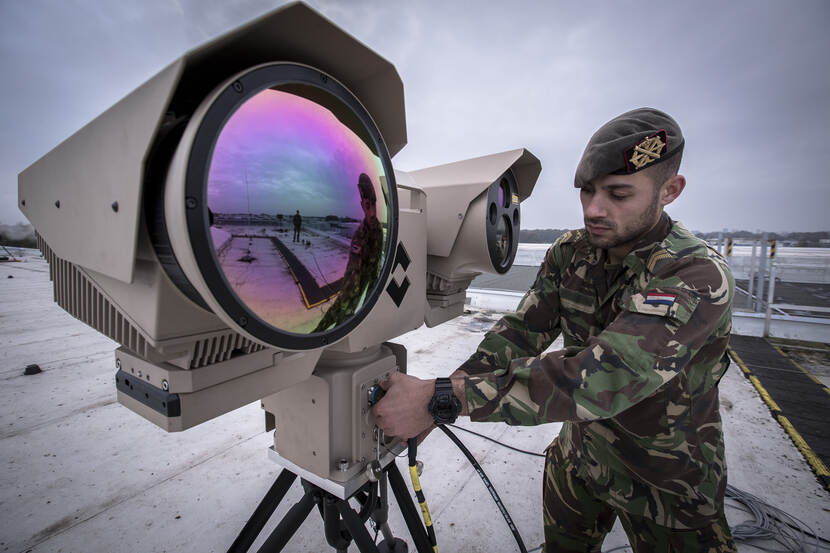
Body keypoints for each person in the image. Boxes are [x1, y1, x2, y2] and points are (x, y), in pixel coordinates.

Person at [373, 108, 737, 552]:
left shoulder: (695, 275)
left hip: (669, 484)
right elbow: (520, 333)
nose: (594, 210)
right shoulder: (572, 252)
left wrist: (441, 397)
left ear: (670, 191)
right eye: (587, 191)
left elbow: (604, 376)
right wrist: (443, 397)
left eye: (619, 194)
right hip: (581, 460)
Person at [313, 173, 384, 332]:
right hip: (349, 290)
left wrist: (367, 307)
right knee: (332, 317)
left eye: (373, 205)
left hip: (357, 294)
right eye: (367, 206)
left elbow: (374, 274)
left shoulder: (377, 231)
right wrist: (350, 296)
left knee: (340, 325)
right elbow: (353, 269)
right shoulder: (359, 234)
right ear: (362, 205)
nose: (372, 212)